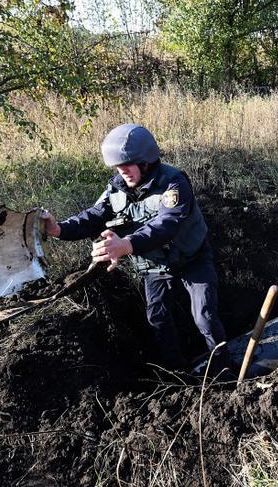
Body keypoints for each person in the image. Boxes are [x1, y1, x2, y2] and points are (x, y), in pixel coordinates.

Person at [42, 123, 227, 371]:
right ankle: (177, 372)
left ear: (146, 161)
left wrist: (126, 244)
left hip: (192, 258)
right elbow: (94, 215)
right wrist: (59, 229)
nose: (123, 171)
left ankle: (224, 367)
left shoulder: (174, 183)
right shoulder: (116, 188)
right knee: (157, 319)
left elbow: (167, 224)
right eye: (118, 166)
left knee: (205, 317)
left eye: (127, 164)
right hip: (154, 266)